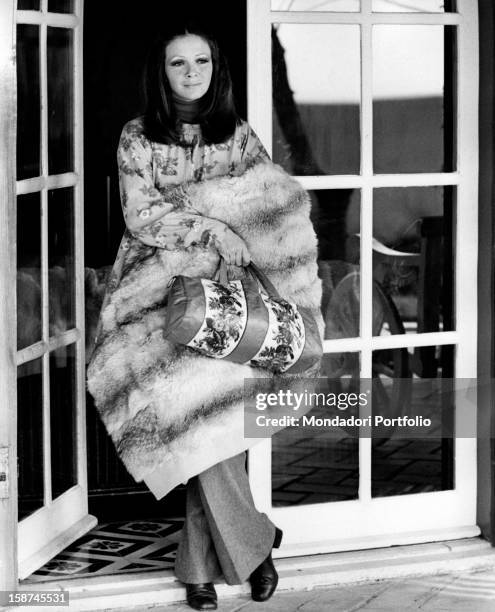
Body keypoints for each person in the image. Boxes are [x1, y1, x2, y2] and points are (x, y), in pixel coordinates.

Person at [115, 24, 283, 611]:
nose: (190, 72)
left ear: (217, 69)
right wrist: (213, 222)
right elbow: (142, 217)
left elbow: (269, 204)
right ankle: (256, 547)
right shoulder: (137, 136)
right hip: (155, 301)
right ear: (161, 73)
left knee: (217, 423)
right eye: (177, 63)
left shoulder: (238, 136)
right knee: (192, 422)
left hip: (227, 294)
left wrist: (242, 228)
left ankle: (198, 567)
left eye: (201, 61)